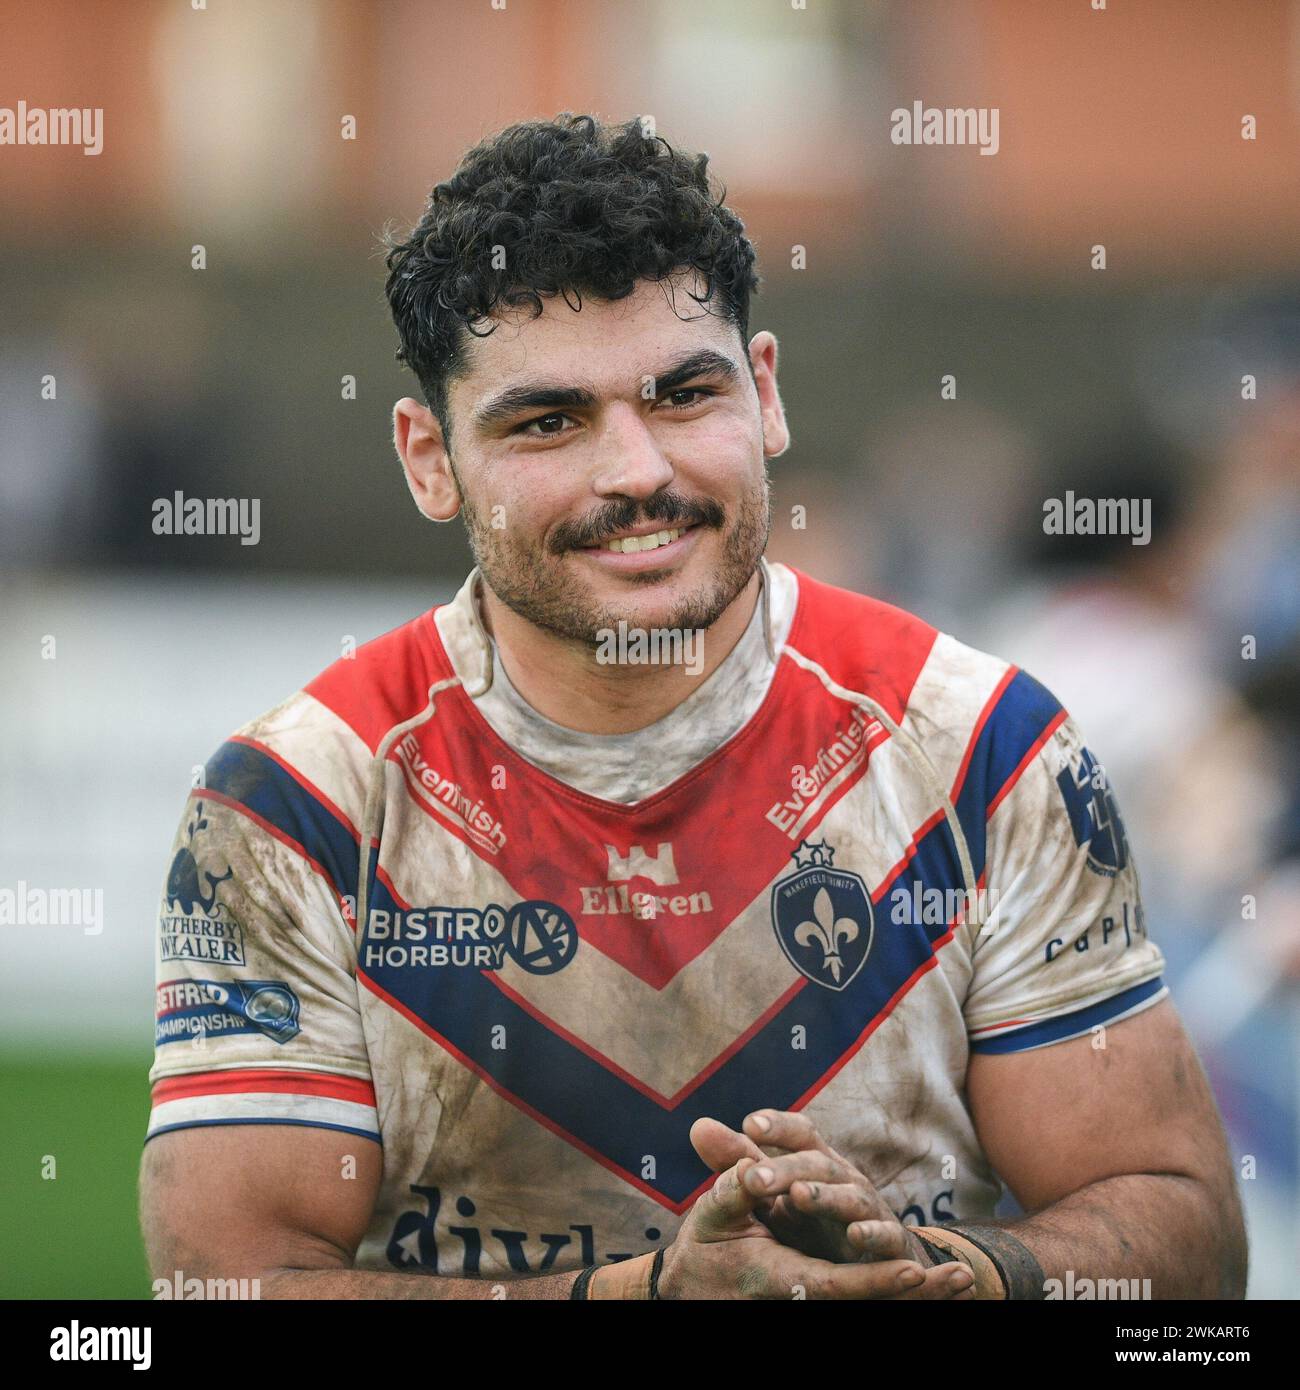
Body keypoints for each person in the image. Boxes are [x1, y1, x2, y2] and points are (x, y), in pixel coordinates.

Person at [138, 113, 1246, 1300]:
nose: (638, 472)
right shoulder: (294, 802)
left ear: (763, 395)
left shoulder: (983, 746)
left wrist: (944, 1277)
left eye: (682, 394)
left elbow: (1180, 1233)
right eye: (547, 420)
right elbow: (224, 1287)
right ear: (428, 458)